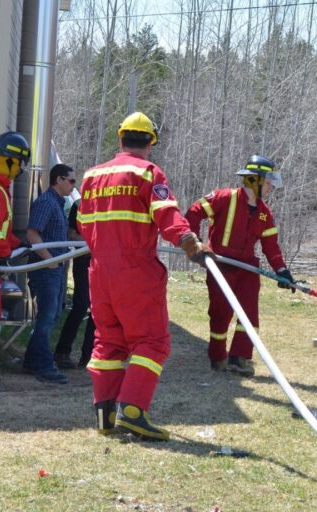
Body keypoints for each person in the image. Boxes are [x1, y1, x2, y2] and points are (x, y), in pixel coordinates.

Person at [77, 112, 210, 441]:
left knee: (108, 341)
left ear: (120, 138)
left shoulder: (91, 176)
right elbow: (166, 214)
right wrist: (189, 242)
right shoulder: (148, 172)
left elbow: (82, 223)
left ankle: (105, 413)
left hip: (98, 271)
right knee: (150, 342)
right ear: (150, 142)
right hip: (134, 270)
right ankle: (133, 411)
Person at [185, 155, 295, 376]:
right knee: (220, 313)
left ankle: (239, 357)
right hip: (221, 265)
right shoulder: (224, 197)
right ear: (255, 180)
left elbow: (271, 247)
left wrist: (282, 271)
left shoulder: (265, 213)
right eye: (269, 182)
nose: (272, 187)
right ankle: (217, 357)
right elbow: (193, 213)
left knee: (249, 315)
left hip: (247, 270)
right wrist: (195, 243)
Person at [22, 163, 76, 384]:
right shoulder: (46, 202)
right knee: (46, 317)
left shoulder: (57, 203)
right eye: (71, 181)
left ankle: (32, 361)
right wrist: (50, 261)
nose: (74, 185)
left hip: (55, 269)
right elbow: (32, 234)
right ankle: (44, 366)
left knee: (52, 316)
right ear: (59, 180)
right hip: (46, 270)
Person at [0, 132, 31, 336]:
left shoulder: (0, 187)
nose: (20, 171)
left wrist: (17, 245)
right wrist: (0, 254)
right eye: (20, 164)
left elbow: (2, 230)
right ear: (9, 160)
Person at [54, 194, 95, 369]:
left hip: (103, 262)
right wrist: (94, 243)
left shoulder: (113, 202)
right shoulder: (80, 204)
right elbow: (71, 234)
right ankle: (62, 352)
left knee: (98, 309)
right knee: (81, 304)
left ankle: (89, 357)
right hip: (83, 259)